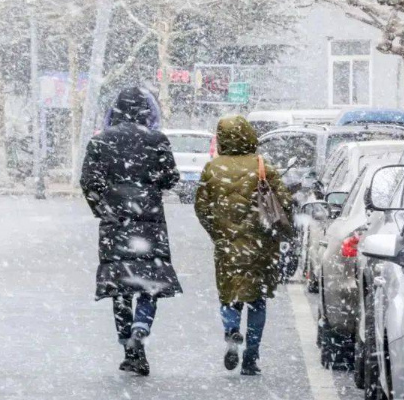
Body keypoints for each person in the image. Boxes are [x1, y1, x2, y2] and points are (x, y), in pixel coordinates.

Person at [80, 87, 183, 377]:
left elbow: (88, 181)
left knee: (121, 285)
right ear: (147, 111)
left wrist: (102, 209)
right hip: (149, 219)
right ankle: (142, 326)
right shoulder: (157, 140)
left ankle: (128, 346)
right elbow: (170, 177)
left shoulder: (101, 141)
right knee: (149, 280)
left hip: (115, 223)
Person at [194, 115, 292, 376]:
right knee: (257, 301)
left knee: (230, 296)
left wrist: (218, 233)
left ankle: (231, 331)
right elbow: (284, 203)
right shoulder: (263, 166)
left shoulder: (212, 169)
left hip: (227, 246)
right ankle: (251, 357)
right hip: (260, 246)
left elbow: (201, 208)